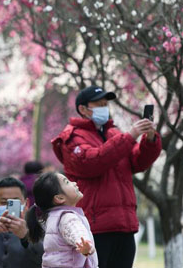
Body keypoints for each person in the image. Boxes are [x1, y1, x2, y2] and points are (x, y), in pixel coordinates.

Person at [51, 85, 162, 268]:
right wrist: (130, 136)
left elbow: (137, 162)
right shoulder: (71, 138)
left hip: (124, 225)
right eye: (99, 104)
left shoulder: (114, 133)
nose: (104, 107)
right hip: (94, 227)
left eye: (105, 103)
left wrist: (149, 140)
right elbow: (93, 162)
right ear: (83, 109)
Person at [26, 172, 98, 268]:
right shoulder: (67, 217)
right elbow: (76, 231)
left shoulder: (52, 216)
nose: (74, 183)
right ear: (59, 198)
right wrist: (84, 244)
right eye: (67, 182)